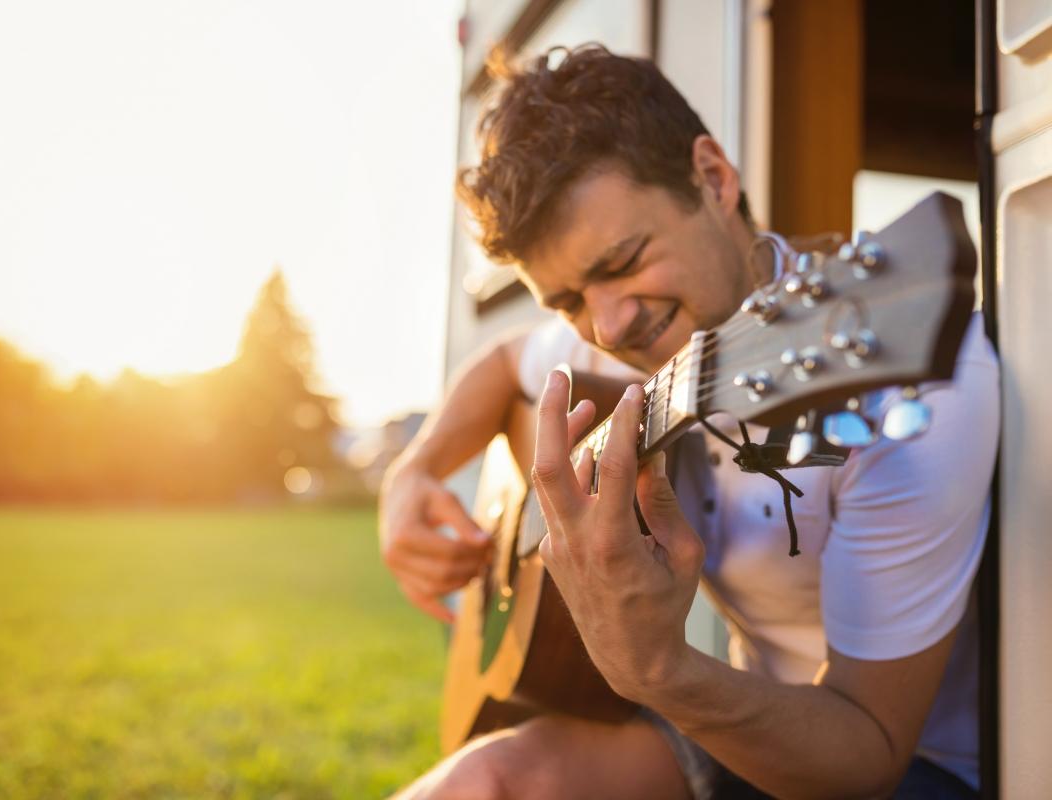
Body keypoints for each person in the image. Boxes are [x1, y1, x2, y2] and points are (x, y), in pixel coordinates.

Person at [380, 45, 999, 798]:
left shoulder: (918, 396)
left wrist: (657, 669)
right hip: (734, 722)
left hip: (904, 764)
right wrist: (411, 473)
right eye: (568, 301)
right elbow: (506, 361)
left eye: (625, 261)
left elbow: (868, 754)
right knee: (482, 784)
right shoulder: (624, 328)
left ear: (713, 177)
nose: (606, 328)